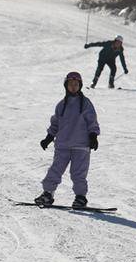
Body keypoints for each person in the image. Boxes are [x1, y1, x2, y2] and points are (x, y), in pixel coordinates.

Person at [35, 72, 100, 209]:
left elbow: (92, 121)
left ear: (80, 86)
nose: (73, 87)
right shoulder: (61, 105)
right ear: (66, 85)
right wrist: (49, 137)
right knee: (55, 170)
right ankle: (48, 193)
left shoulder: (86, 104)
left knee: (78, 174)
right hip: (63, 145)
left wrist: (93, 135)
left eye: (76, 85)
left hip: (81, 145)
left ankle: (80, 197)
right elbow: (55, 123)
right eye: (70, 84)